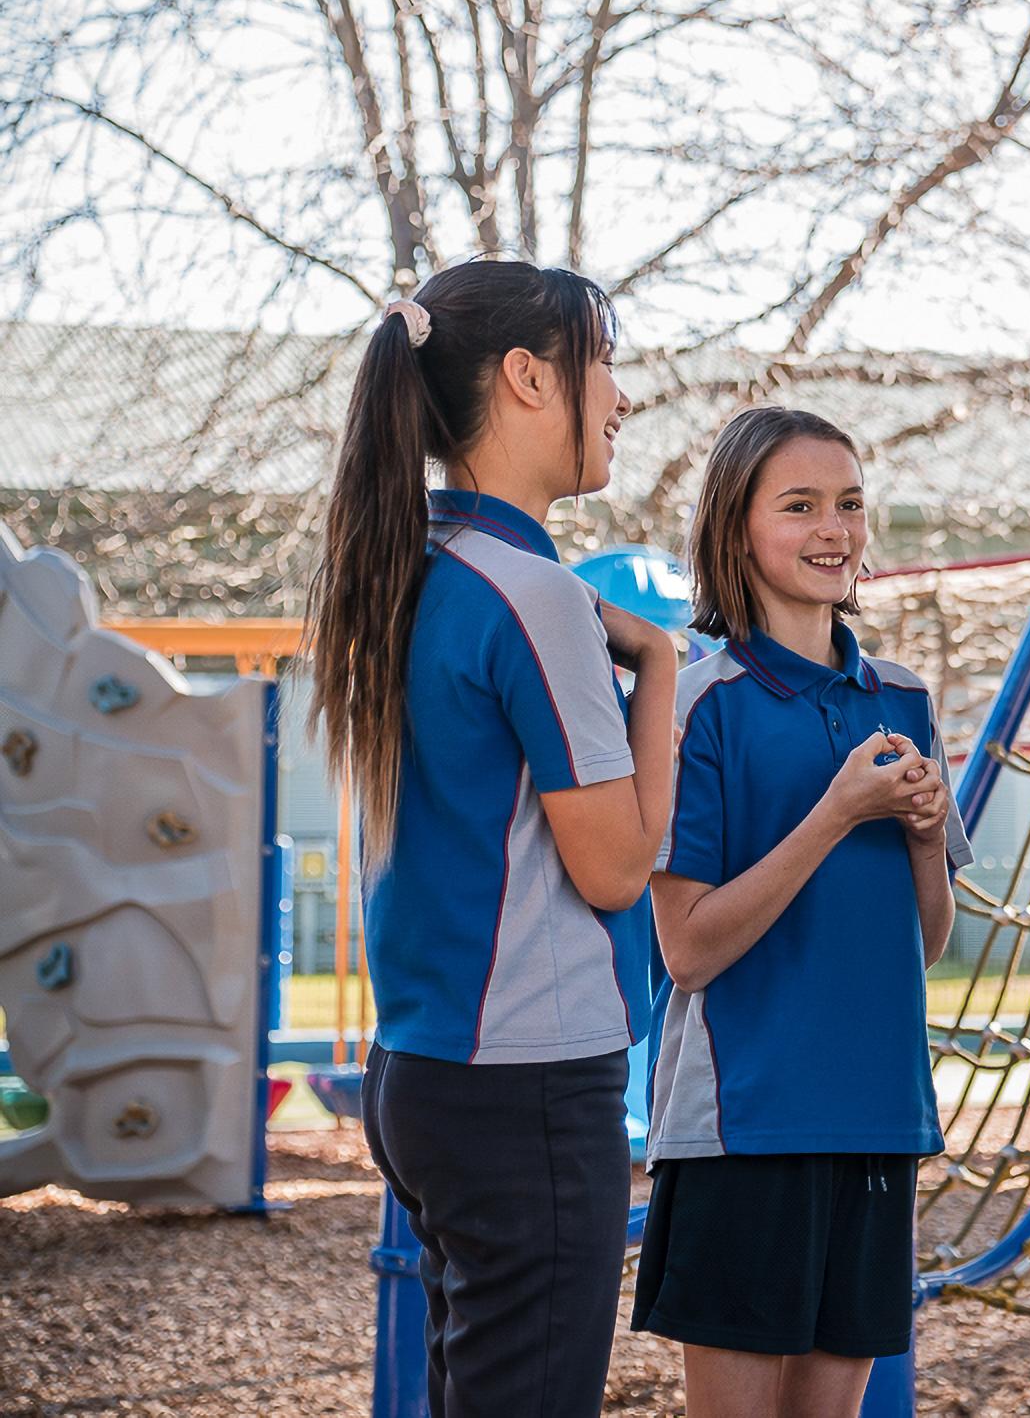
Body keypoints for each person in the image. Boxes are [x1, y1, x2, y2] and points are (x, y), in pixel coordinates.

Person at [304, 262, 677, 1417]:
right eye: (603, 362)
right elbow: (616, 866)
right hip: (527, 1086)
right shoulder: (533, 594)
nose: (621, 396)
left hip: (424, 1075)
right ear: (528, 378)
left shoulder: (409, 565)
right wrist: (659, 665)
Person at [632, 407, 971, 1418]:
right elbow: (688, 950)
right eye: (802, 506)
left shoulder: (902, 699)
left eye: (852, 504)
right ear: (736, 527)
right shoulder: (697, 704)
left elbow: (929, 943)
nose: (837, 530)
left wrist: (918, 837)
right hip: (746, 1126)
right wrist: (836, 814)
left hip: (878, 1115)